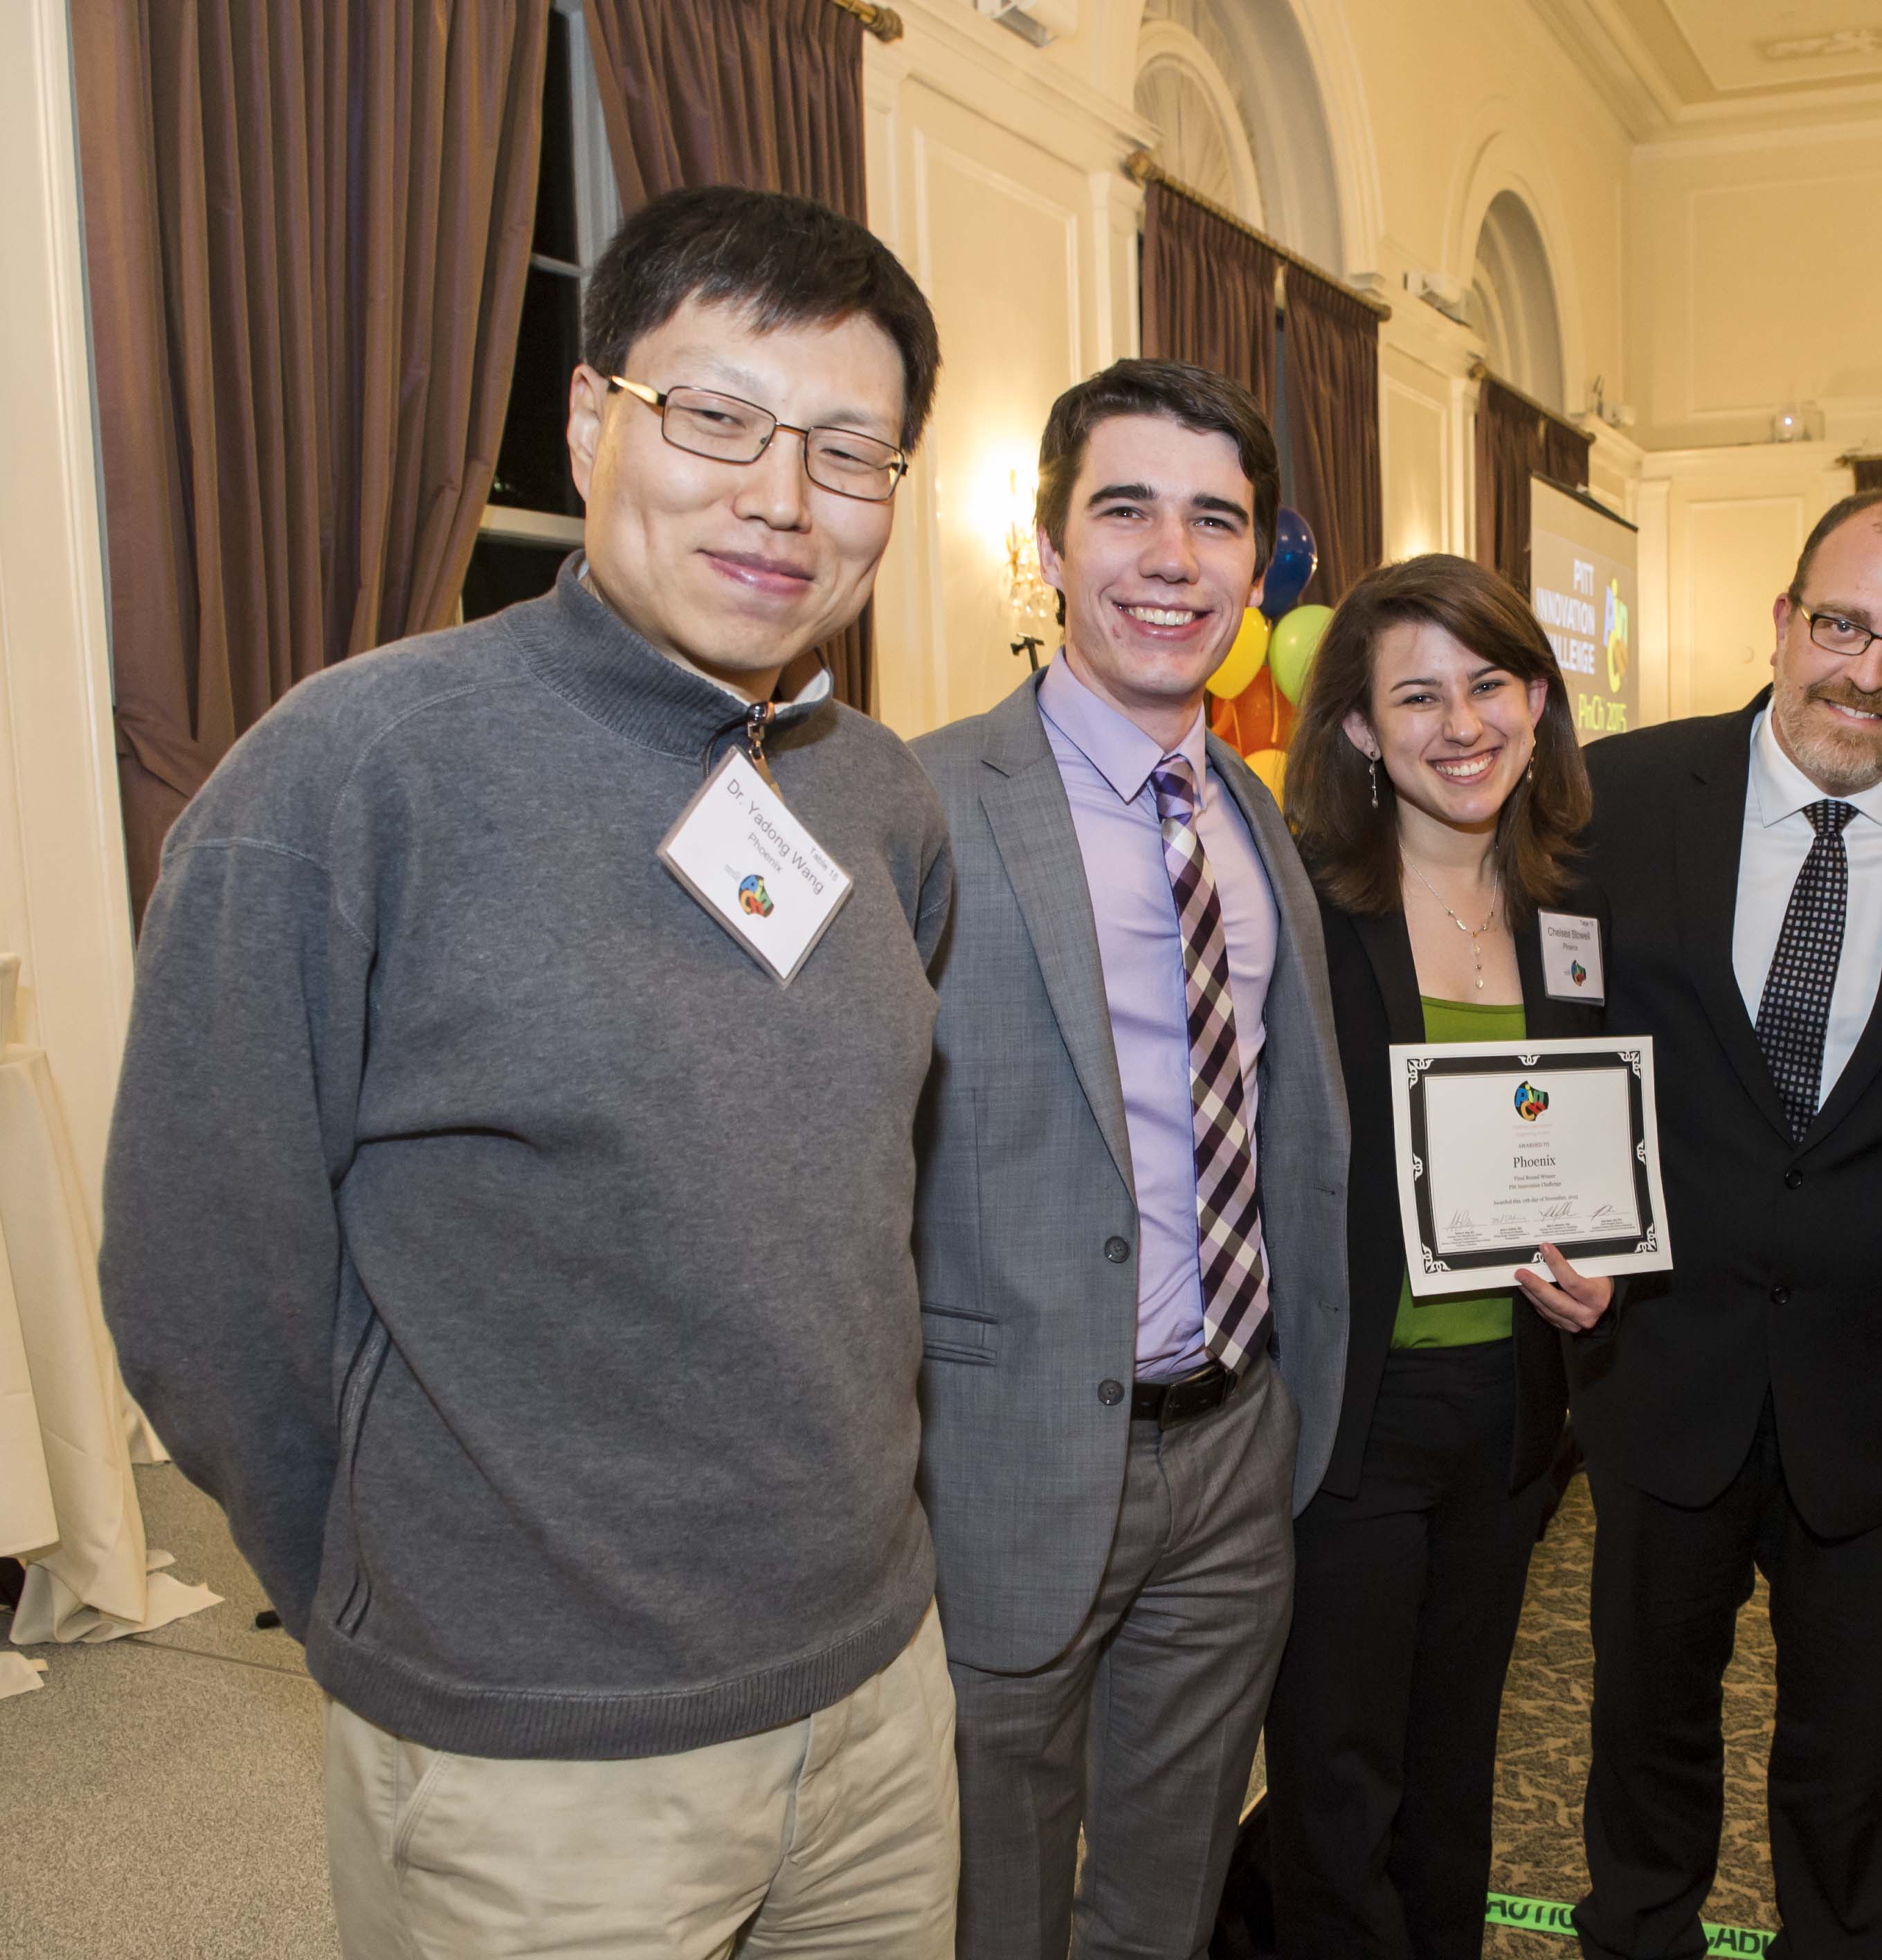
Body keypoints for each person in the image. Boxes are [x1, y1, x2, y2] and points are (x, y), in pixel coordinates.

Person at [99, 186, 961, 1954]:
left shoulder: (878, 796)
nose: (783, 497)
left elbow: (864, 1197)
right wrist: (406, 1603)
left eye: (851, 451)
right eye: (717, 417)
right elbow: (206, 1283)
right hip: (535, 1762)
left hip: (880, 1695)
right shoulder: (350, 777)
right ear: (588, 417)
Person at [908, 358, 1350, 1960]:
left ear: (1259, 563)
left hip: (1234, 1452)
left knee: (1160, 1899)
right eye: (1125, 508)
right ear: (1046, 542)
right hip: (1004, 1455)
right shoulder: (923, 805)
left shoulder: (1256, 812)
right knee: (990, 1901)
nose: (1171, 555)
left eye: (1214, 520)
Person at [1568, 489, 1882, 1960]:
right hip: (1660, 1361)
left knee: (1852, 1757)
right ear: (1782, 621)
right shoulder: (1614, 796)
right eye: (1842, 625)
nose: (1866, 672)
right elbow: (1540, 1037)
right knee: (1644, 1732)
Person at [1261, 554, 1613, 1958]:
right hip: (1351, 1412)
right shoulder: (1301, 909)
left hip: (1515, 1414)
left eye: (1488, 684)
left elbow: (1612, 1148)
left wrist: (1610, 1269)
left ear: (1535, 703)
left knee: (1456, 1765)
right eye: (1417, 695)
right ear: (1358, 727)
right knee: (1335, 1778)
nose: (1459, 723)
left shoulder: (1579, 913)